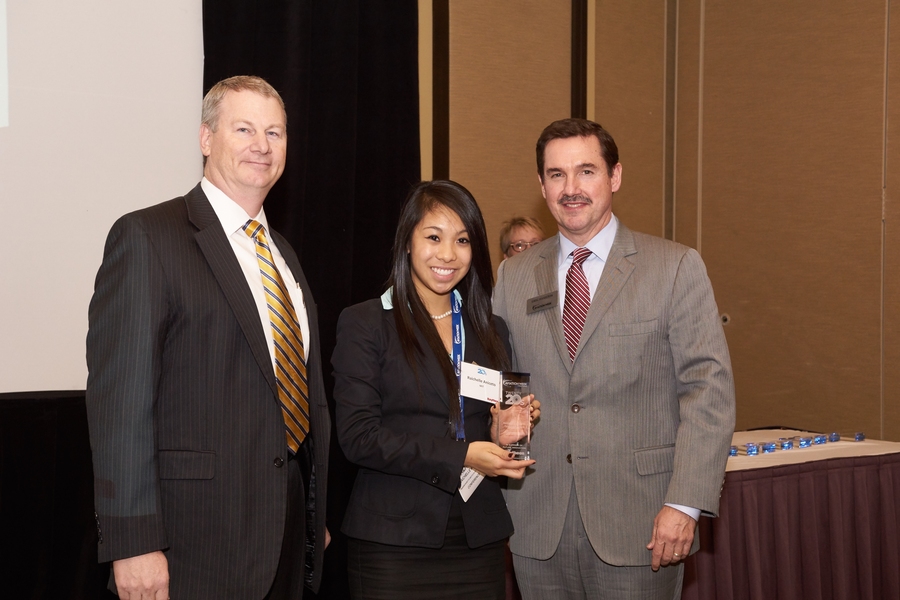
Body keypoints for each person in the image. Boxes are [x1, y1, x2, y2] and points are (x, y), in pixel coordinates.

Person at [85, 75, 330, 600]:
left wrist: (313, 515)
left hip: (282, 544)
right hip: (190, 550)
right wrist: (133, 543)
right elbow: (120, 407)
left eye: (275, 132)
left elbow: (300, 402)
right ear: (205, 139)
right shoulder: (148, 237)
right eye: (244, 129)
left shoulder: (284, 254)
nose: (262, 146)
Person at [493, 118, 735, 599]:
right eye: (557, 174)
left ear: (615, 177)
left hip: (642, 522)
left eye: (586, 171)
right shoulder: (513, 277)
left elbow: (708, 393)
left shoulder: (674, 267)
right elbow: (505, 385)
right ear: (541, 185)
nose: (571, 188)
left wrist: (684, 505)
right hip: (537, 522)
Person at [332, 180, 537, 599]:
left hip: (477, 537)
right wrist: (463, 454)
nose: (448, 254)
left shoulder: (491, 329)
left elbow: (477, 421)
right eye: (433, 237)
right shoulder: (366, 323)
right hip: (393, 540)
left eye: (462, 240)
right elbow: (358, 437)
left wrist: (502, 434)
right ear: (407, 241)